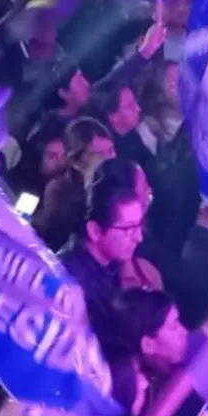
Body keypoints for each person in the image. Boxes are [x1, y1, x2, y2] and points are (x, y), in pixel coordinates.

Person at [60, 176, 147, 356]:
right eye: (129, 229)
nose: (139, 237)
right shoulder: (74, 284)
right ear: (95, 231)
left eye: (140, 226)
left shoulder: (112, 265)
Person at [34, 119, 116, 251]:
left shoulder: (114, 189)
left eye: (111, 150)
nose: (110, 158)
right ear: (76, 160)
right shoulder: (59, 191)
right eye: (100, 154)